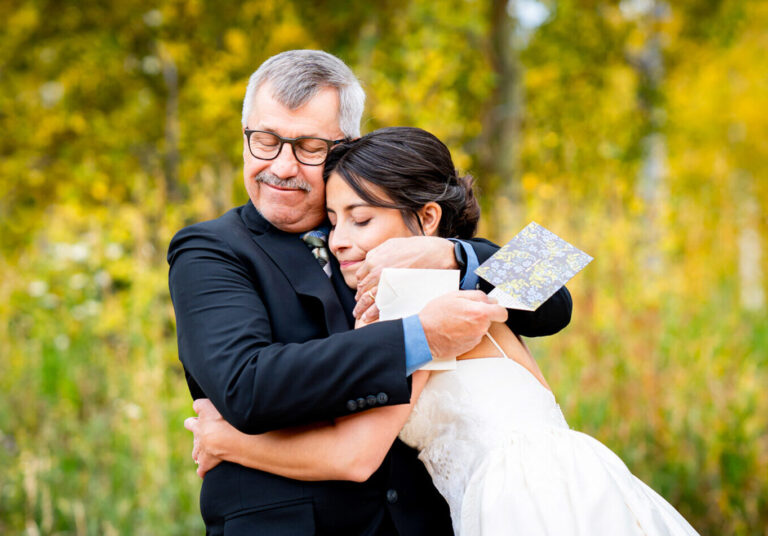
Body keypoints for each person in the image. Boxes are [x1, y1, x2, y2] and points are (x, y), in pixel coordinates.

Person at [185, 127, 700, 536]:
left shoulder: (412, 291)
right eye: (333, 222)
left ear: (428, 216)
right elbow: (546, 263)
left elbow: (354, 456)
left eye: (360, 220)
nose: (340, 240)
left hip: (518, 492)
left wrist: (226, 441)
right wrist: (448, 252)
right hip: (574, 473)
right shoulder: (451, 284)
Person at [168, 50, 572, 535]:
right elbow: (248, 386)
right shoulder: (208, 248)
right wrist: (419, 337)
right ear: (245, 136)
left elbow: (554, 298)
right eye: (266, 140)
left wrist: (450, 255)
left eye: (310, 147)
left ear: (345, 148)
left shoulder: (390, 227)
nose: (282, 166)